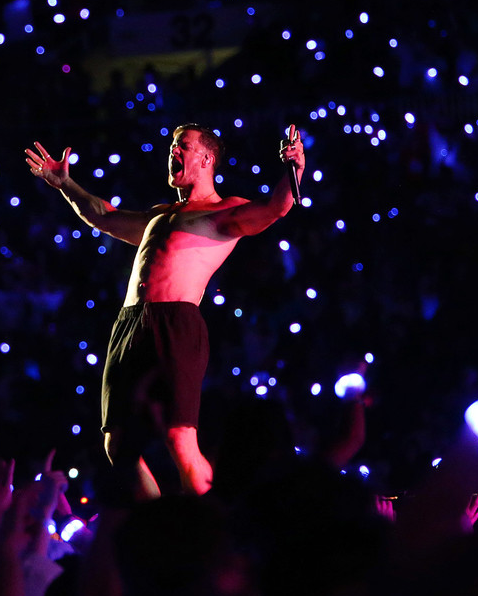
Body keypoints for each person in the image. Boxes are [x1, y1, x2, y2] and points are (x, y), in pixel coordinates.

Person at [25, 123, 305, 497]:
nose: (173, 151)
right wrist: (65, 185)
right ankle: (158, 522)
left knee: (179, 436)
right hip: (129, 324)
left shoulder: (223, 211)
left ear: (206, 159)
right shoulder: (160, 214)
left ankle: (210, 519)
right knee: (116, 443)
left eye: (182, 146)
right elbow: (104, 216)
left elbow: (276, 207)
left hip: (176, 323)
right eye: (172, 145)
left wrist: (293, 169)